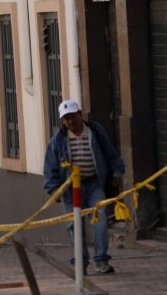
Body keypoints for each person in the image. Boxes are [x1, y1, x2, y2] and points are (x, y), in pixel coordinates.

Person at [43, 99, 125, 275]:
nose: (70, 121)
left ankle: (102, 260)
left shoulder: (94, 131)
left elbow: (110, 152)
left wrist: (117, 171)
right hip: (71, 189)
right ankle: (80, 262)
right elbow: (50, 168)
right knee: (74, 225)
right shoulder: (57, 141)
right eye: (66, 118)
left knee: (100, 219)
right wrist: (53, 189)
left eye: (73, 116)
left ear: (80, 114)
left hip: (94, 183)